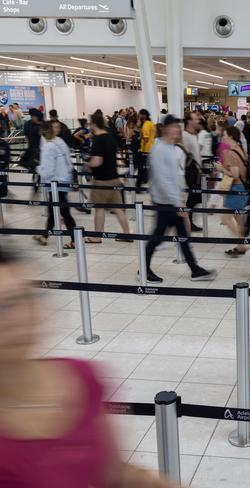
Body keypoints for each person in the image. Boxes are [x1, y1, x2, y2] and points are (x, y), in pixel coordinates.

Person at [0, 251, 180, 487]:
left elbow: (112, 472)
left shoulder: (81, 376)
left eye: (27, 297)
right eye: (4, 306)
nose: (21, 315)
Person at [145, 115, 216, 283]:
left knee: (179, 235)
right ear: (166, 128)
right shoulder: (159, 149)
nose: (178, 129)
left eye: (178, 126)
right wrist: (177, 203)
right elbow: (163, 180)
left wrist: (179, 199)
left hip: (171, 200)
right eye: (175, 126)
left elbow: (175, 177)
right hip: (165, 202)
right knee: (158, 236)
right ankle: (145, 268)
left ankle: (194, 269)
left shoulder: (171, 148)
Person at [83, 112, 131, 244]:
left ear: (93, 124)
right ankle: (127, 234)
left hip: (101, 181)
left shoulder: (98, 140)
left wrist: (88, 164)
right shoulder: (109, 137)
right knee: (118, 209)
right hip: (114, 178)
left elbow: (97, 162)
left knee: (99, 209)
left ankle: (97, 236)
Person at [33, 121, 76, 249]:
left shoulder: (48, 146)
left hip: (56, 182)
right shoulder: (60, 141)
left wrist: (37, 168)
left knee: (64, 211)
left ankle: (75, 239)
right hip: (64, 179)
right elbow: (68, 162)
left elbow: (48, 171)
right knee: (54, 210)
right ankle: (45, 236)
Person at [217, 126, 249, 257]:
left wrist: (221, 168)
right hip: (241, 187)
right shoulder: (240, 149)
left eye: (224, 135)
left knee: (225, 218)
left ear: (230, 136)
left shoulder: (231, 152)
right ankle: (240, 246)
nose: (223, 137)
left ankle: (242, 244)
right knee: (238, 219)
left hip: (236, 188)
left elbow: (235, 174)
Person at [182, 112, 203, 232]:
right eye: (195, 119)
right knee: (192, 198)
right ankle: (187, 221)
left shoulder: (193, 135)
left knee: (194, 198)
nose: (197, 121)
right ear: (189, 121)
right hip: (190, 172)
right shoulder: (185, 136)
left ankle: (189, 221)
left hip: (196, 171)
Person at [136, 109, 155, 190]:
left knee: (141, 169)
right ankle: (143, 182)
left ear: (143, 115)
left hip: (145, 150)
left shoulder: (146, 125)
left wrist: (140, 137)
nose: (138, 116)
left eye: (139, 114)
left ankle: (138, 186)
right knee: (145, 169)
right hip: (151, 149)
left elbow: (146, 139)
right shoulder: (151, 123)